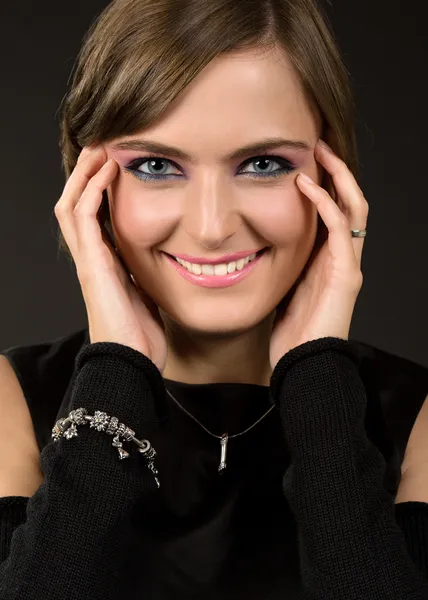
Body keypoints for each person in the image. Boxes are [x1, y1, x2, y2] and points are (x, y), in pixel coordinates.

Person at [1, 0, 427, 598]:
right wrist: (117, 370)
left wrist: (317, 381)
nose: (210, 226)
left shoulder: (418, 415)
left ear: (333, 178)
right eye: (154, 164)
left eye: (262, 163)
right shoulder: (11, 400)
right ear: (87, 184)